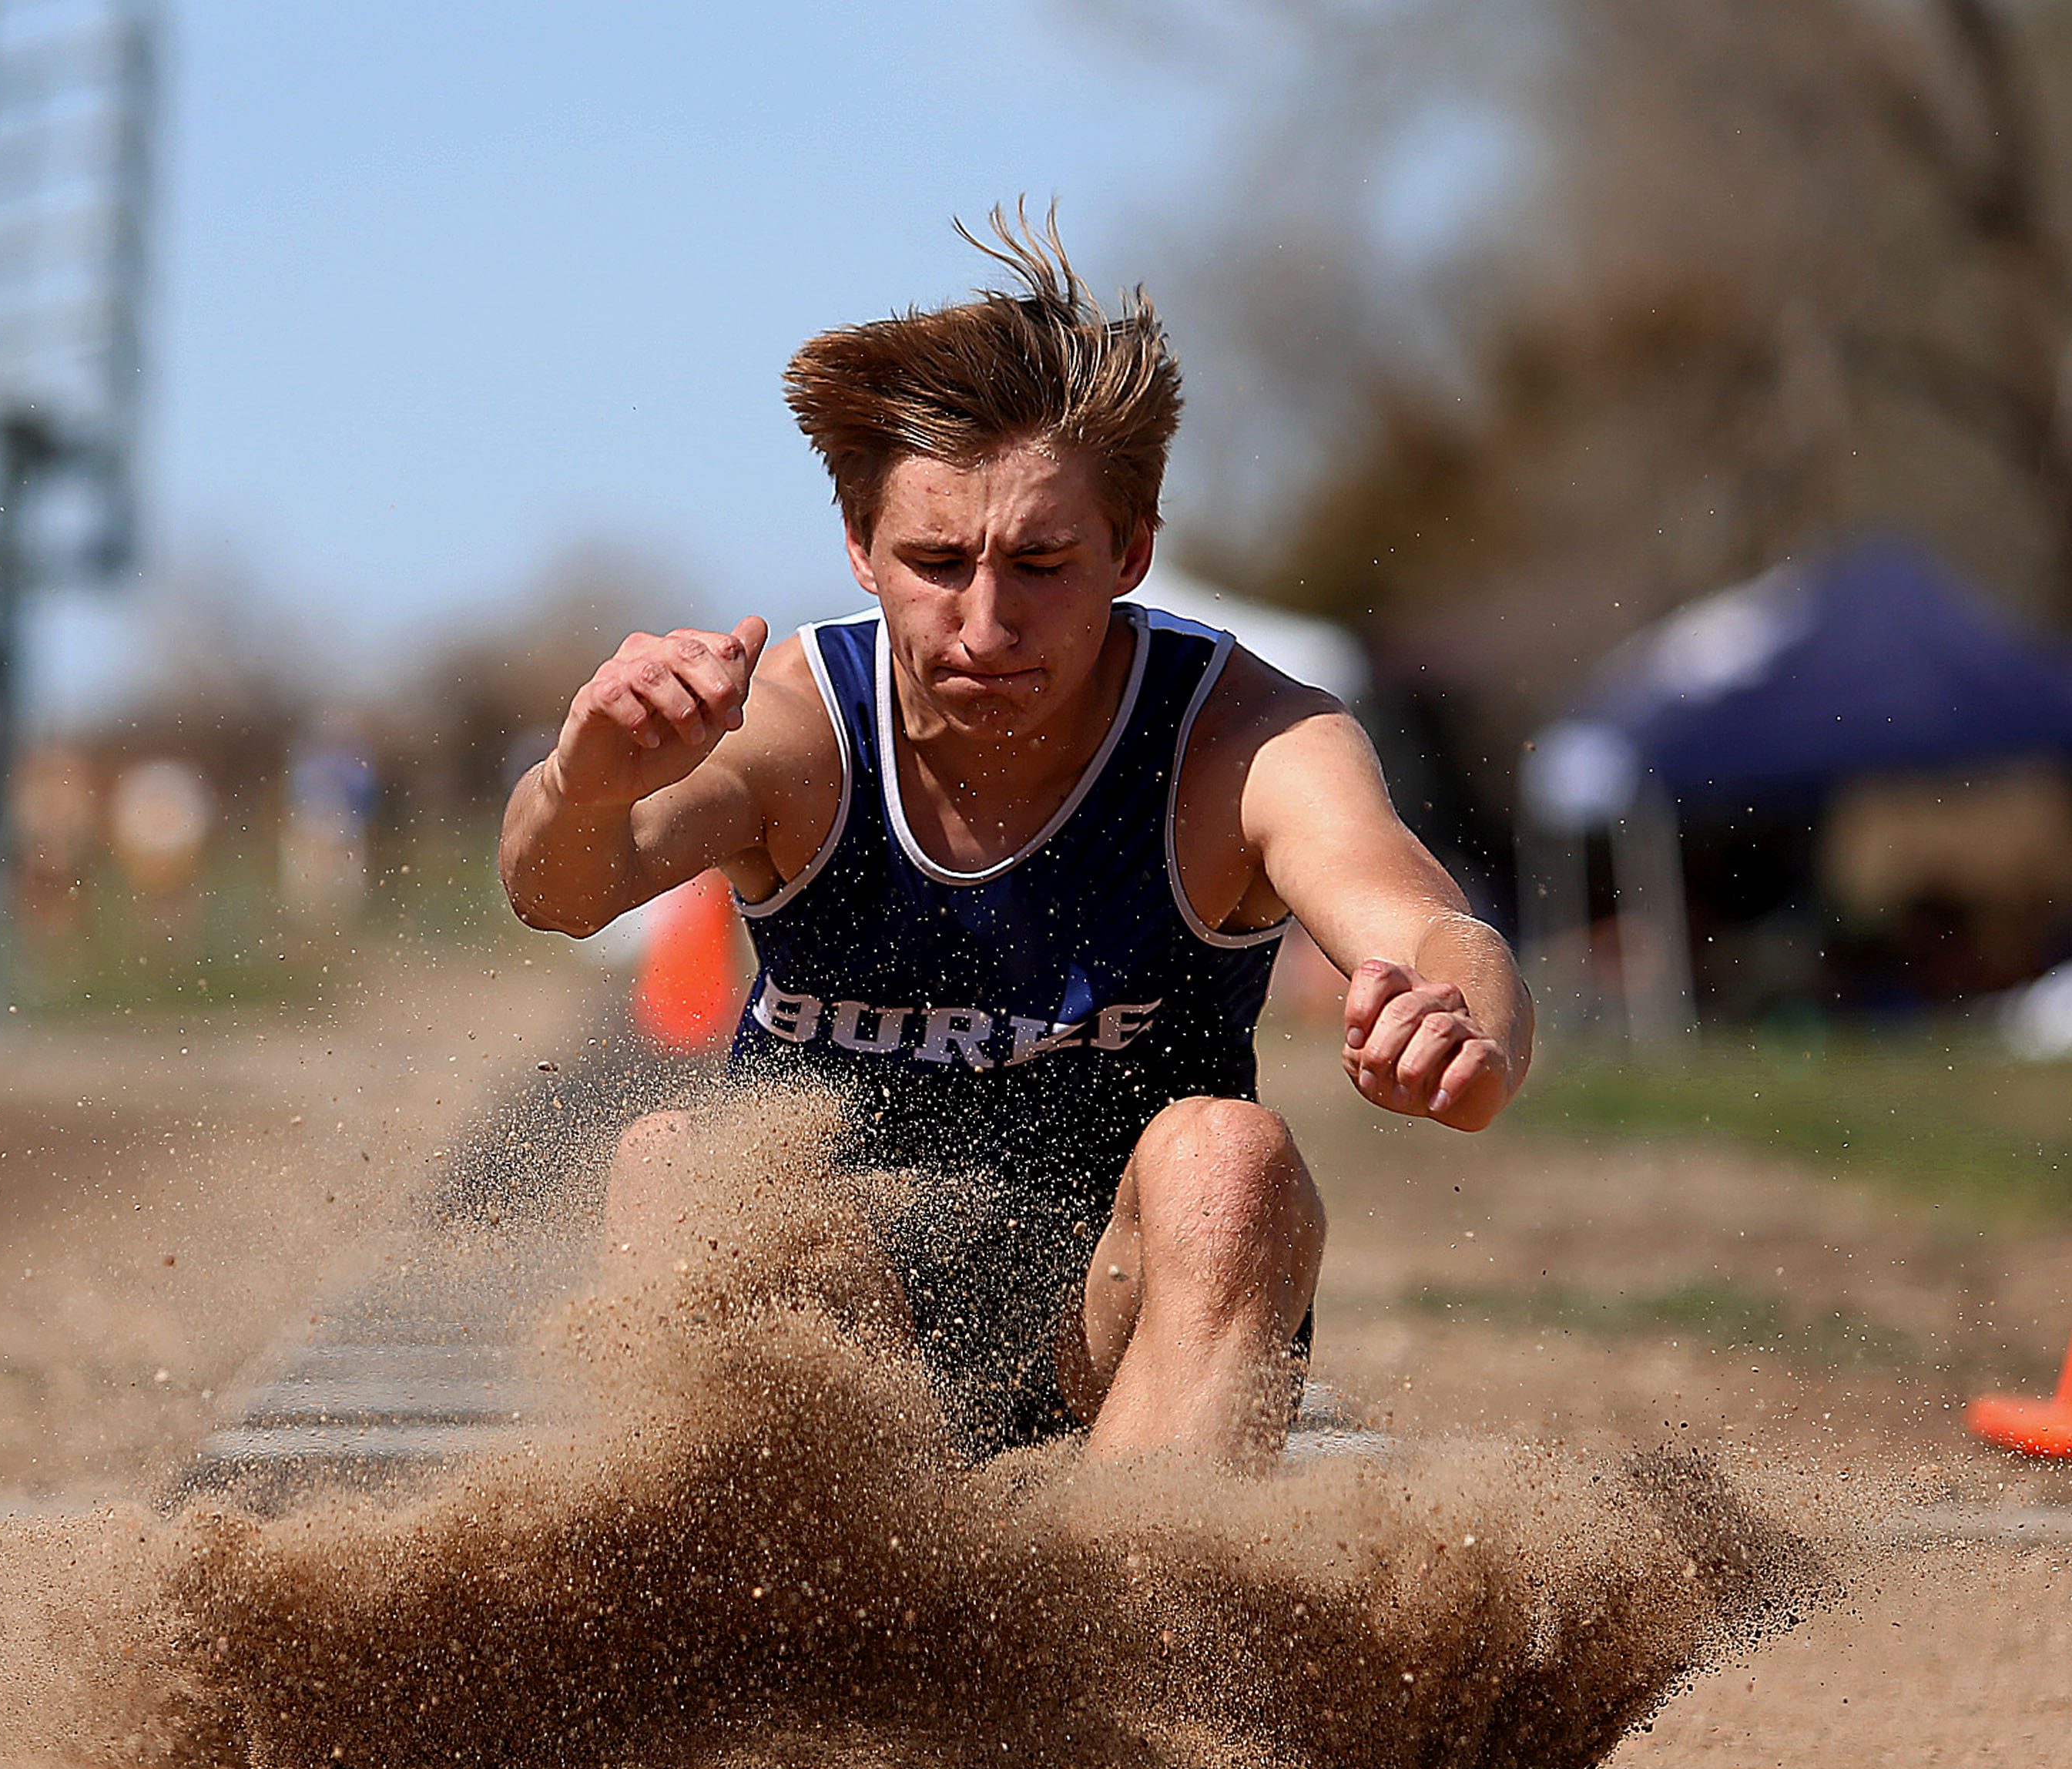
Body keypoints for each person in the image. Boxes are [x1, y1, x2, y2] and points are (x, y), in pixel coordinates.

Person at [499, 213, 1530, 1469]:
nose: (987, 620)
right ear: (860, 549)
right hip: (839, 1326)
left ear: (1132, 550)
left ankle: (1130, 1621)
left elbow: (1435, 931)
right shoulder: (794, 725)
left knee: (1232, 1156)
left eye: (1042, 562)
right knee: (674, 1164)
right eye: (938, 560)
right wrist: (582, 780)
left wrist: (1462, 1038)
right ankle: (732, 1609)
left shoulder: (1243, 740)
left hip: (1122, 1325)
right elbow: (559, 891)